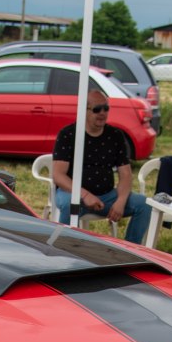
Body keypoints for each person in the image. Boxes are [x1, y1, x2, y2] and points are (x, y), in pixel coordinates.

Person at [50, 89, 151, 244]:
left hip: (107, 196)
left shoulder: (115, 135)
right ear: (84, 110)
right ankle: (65, 248)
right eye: (97, 109)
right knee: (71, 204)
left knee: (144, 204)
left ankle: (130, 250)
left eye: (106, 108)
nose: (102, 113)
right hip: (73, 194)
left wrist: (121, 200)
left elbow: (126, 174)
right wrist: (84, 195)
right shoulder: (68, 135)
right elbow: (58, 175)